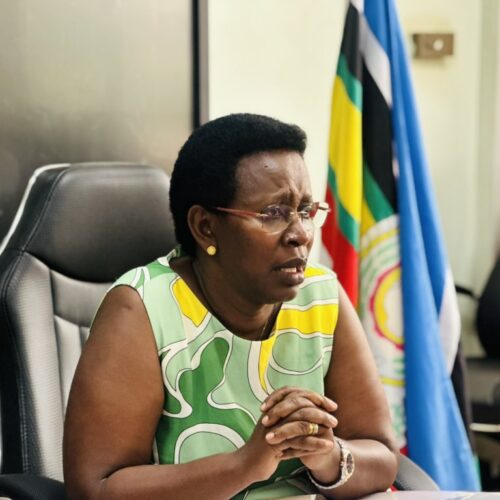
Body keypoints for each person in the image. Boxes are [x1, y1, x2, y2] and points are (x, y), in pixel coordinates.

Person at [63, 113, 398, 499]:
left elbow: (383, 455)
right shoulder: (141, 308)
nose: (301, 234)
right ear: (205, 227)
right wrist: (244, 465)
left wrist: (328, 456)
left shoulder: (320, 295)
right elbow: (95, 490)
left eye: (306, 211)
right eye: (273, 213)